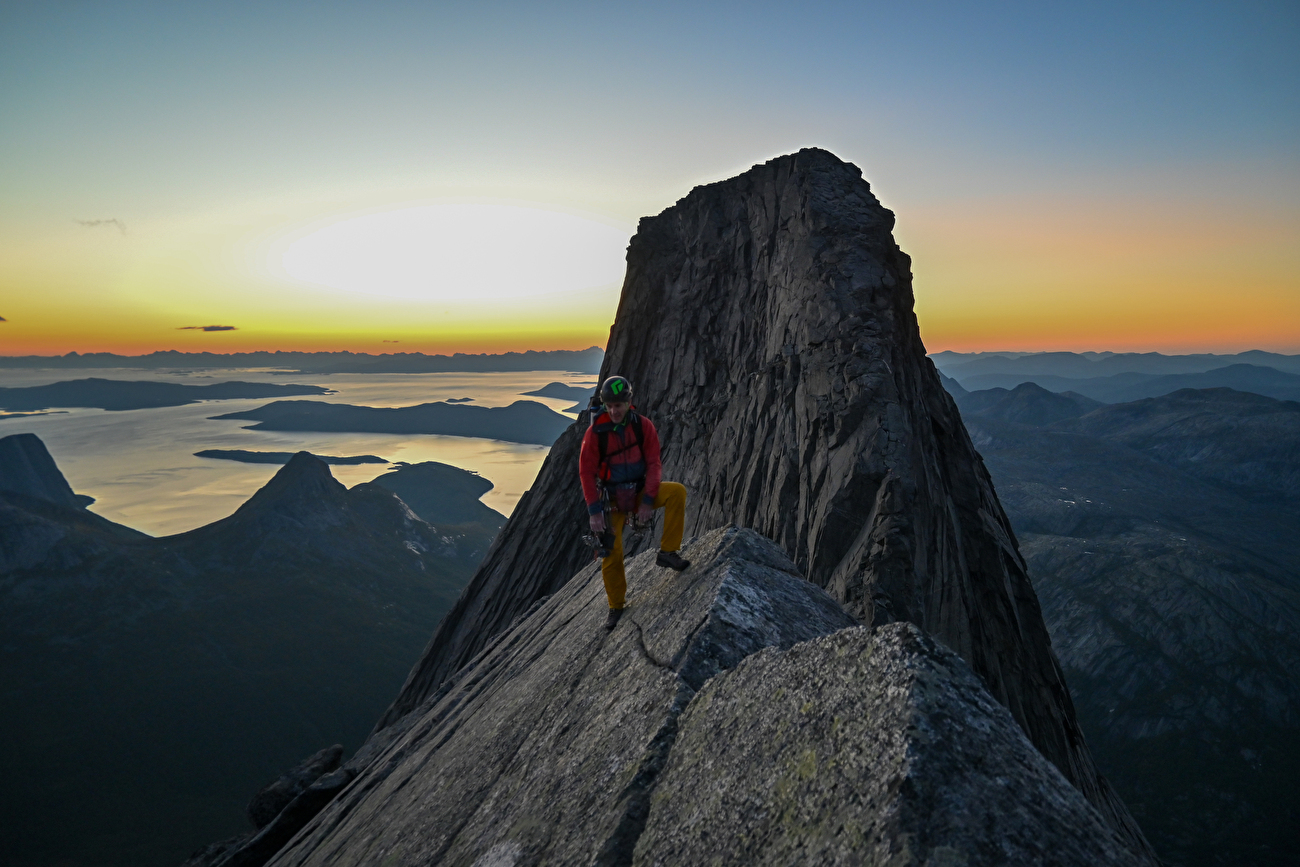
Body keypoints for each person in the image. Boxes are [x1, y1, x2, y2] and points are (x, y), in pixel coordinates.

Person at [579, 375, 690, 630]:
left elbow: (654, 464)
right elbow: (586, 471)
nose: (614, 410)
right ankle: (615, 606)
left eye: (619, 404)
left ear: (629, 402)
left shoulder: (643, 426)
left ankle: (668, 552)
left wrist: (648, 501)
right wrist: (594, 511)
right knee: (611, 551)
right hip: (612, 501)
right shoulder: (595, 433)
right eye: (610, 405)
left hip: (639, 492)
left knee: (677, 493)